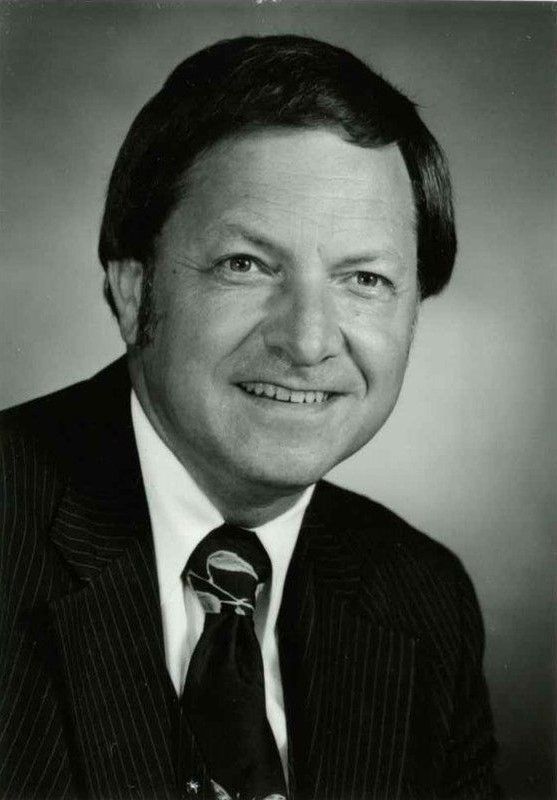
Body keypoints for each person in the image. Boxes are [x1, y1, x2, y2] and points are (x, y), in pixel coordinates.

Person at [0, 35, 499, 800]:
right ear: (134, 291)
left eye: (363, 278)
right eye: (247, 265)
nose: (306, 341)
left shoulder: (420, 598)